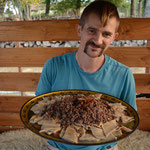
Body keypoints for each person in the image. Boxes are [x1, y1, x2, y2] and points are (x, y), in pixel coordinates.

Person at [36, 1, 137, 150]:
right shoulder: (53, 66)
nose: (97, 40)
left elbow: (129, 120)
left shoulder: (123, 75)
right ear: (79, 29)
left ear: (114, 37)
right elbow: (39, 109)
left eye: (106, 34)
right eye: (92, 30)